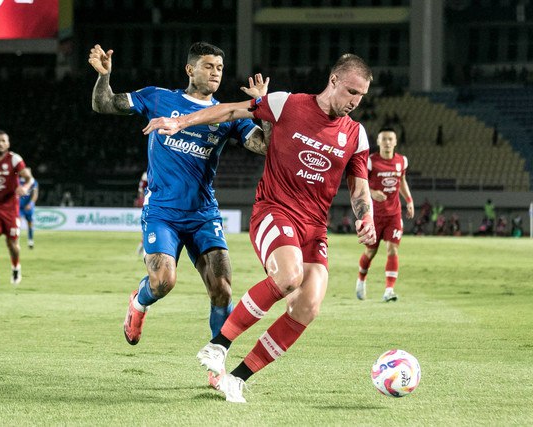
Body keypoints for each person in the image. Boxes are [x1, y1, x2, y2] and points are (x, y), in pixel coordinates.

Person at [144, 53, 376, 403]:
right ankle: (218, 345)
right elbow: (230, 111)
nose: (355, 102)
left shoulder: (355, 134)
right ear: (334, 81)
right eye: (352, 92)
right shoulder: (286, 104)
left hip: (314, 228)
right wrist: (182, 122)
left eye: (361, 96)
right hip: (275, 211)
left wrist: (366, 217)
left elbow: (359, 190)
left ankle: (236, 378)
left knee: (308, 306)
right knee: (289, 276)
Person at [88, 42, 271, 387]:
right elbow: (104, 104)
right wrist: (104, 77)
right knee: (164, 282)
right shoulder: (158, 98)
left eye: (219, 66)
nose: (216, 72)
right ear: (190, 70)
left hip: (203, 213)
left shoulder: (225, 115)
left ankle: (215, 369)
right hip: (163, 212)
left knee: (222, 289)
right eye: (208, 65)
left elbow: (265, 146)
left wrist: (264, 109)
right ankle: (139, 304)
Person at [355, 127, 414, 302]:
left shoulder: (402, 161)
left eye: (390, 139)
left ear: (395, 142)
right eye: (384, 139)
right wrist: (372, 193)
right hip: (374, 216)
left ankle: (389, 290)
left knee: (392, 249)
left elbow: (401, 180)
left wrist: (409, 200)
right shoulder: (371, 162)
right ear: (379, 141)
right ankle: (361, 280)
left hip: (394, 214)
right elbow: (360, 182)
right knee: (370, 252)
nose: (387, 142)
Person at [0, 130, 33, 286]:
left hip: (11, 209)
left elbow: (29, 178)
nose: (0, 143)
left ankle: (15, 267)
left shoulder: (14, 160)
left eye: (3, 140)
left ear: (8, 144)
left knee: (12, 244)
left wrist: (25, 187)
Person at [19, 168, 38, 249]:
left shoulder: (34, 182)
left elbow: (35, 194)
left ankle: (30, 240)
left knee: (30, 224)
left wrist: (31, 203)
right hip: (19, 207)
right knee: (17, 224)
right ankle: (16, 241)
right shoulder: (19, 181)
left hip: (28, 207)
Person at [134, 171, 147, 257]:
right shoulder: (147, 175)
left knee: (147, 226)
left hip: (149, 204)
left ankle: (142, 245)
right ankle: (143, 246)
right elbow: (141, 190)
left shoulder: (146, 175)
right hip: (150, 204)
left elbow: (140, 190)